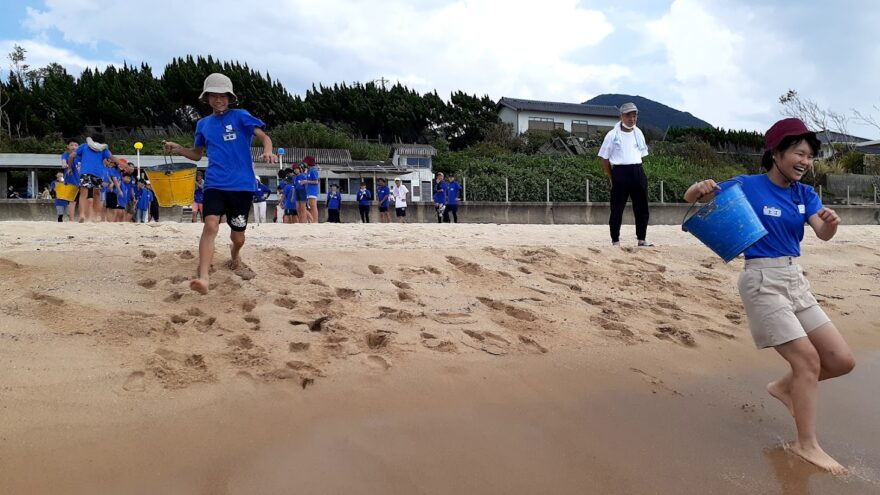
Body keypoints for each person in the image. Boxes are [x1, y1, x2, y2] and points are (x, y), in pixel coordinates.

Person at [683, 118, 854, 475]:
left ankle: (784, 388)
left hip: (795, 280)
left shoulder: (805, 194)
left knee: (839, 360)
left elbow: (822, 232)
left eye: (810, 155)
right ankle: (806, 445)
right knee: (807, 360)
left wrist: (832, 222)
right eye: (798, 152)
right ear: (776, 152)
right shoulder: (747, 185)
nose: (805, 161)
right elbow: (693, 199)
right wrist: (699, 188)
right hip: (762, 279)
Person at [163, 72, 277, 294]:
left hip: (242, 185)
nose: (218, 100)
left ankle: (235, 256)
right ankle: (204, 278)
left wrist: (268, 151)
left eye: (222, 96)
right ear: (206, 99)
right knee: (211, 224)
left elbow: (264, 137)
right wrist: (178, 148)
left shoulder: (241, 116)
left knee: (238, 235)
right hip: (215, 182)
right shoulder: (203, 125)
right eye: (213, 96)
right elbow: (197, 155)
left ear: (229, 97)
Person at [598, 102, 651, 247]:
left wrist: (638, 172)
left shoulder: (638, 133)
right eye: (628, 115)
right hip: (620, 172)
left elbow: (640, 154)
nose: (632, 119)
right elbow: (604, 158)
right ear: (621, 116)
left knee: (642, 208)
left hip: (637, 171)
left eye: (634, 116)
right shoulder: (612, 135)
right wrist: (612, 176)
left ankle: (642, 239)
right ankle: (615, 240)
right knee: (617, 208)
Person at [70, 133, 121, 222]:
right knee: (97, 195)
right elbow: (113, 158)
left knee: (83, 195)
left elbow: (71, 156)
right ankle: (96, 216)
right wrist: (124, 165)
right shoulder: (104, 149)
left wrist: (69, 166)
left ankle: (82, 215)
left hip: (85, 173)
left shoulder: (84, 146)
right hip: (97, 174)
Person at [61, 140, 81, 221]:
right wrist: (64, 164)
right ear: (68, 146)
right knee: (72, 201)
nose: (74, 147)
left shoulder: (80, 156)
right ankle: (71, 220)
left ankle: (81, 218)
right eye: (72, 145)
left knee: (81, 202)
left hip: (81, 182)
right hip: (71, 181)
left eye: (76, 145)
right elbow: (63, 162)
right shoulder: (66, 155)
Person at [303, 155, 320, 223]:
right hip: (309, 191)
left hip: (312, 191)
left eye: (305, 162)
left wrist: (307, 181)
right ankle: (312, 220)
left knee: (313, 206)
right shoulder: (309, 171)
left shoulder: (313, 171)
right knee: (310, 206)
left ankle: (315, 221)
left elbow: (316, 181)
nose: (304, 163)